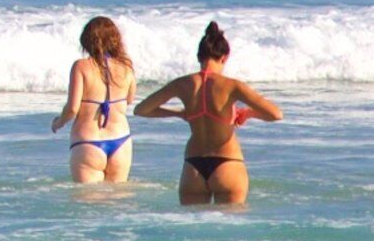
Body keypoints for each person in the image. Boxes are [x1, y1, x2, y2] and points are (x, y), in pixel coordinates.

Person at [135, 22, 277, 205]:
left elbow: (141, 110)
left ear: (198, 57)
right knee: (228, 231)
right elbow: (275, 114)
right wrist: (248, 114)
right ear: (225, 57)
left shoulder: (182, 84)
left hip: (193, 167)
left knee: (192, 231)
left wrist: (179, 113)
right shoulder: (232, 86)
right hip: (228, 164)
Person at [50, 15, 143, 184]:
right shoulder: (126, 67)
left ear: (86, 40)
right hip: (121, 141)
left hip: (88, 142)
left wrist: (59, 122)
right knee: (116, 202)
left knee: (88, 205)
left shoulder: (81, 66)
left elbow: (72, 108)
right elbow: (129, 99)